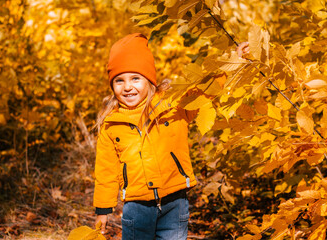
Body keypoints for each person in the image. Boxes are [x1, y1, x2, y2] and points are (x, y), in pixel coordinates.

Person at [93, 33, 249, 240]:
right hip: (137, 207)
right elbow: (106, 170)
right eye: (119, 81)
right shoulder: (112, 124)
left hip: (175, 203)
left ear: (149, 81)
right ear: (112, 86)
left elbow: (205, 91)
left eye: (135, 78)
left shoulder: (172, 105)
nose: (128, 87)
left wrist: (235, 61)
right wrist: (103, 209)